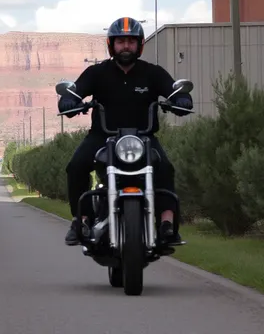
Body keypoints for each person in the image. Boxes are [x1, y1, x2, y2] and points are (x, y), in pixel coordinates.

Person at [58, 16, 193, 246]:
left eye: (131, 41)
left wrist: (181, 98)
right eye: (121, 42)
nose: (126, 46)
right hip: (102, 137)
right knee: (76, 166)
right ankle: (81, 219)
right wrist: (69, 101)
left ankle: (167, 223)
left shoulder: (152, 73)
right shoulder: (96, 73)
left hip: (144, 137)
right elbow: (74, 92)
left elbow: (173, 90)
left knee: (165, 168)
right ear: (111, 45)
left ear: (139, 45)